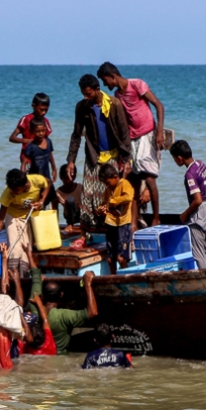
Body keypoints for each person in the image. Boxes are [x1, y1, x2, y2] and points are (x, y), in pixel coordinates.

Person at [96, 62, 166, 230]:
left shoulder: (137, 85)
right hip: (132, 139)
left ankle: (156, 218)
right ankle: (133, 223)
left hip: (147, 134)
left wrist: (159, 131)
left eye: (106, 81)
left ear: (113, 76)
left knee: (150, 178)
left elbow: (159, 105)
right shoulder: (118, 96)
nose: (107, 85)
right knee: (132, 182)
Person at [66, 74, 132, 236]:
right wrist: (71, 161)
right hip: (93, 155)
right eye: (83, 94)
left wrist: (127, 159)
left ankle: (108, 231)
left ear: (97, 90)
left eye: (88, 94)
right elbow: (76, 135)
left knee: (107, 195)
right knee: (88, 195)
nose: (85, 97)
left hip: (113, 156)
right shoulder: (81, 107)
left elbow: (124, 133)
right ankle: (87, 233)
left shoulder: (114, 104)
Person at [0, 169, 50, 278]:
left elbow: (47, 183)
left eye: (16, 190)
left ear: (25, 185)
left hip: (28, 215)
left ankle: (23, 278)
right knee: (15, 249)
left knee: (26, 249)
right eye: (11, 189)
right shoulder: (8, 193)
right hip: (12, 215)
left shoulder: (37, 180)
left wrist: (42, 201)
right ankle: (11, 277)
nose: (13, 192)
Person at [170, 140, 206, 271]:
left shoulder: (189, 174)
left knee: (198, 252)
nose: (175, 161)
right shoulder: (200, 164)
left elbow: (197, 200)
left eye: (174, 158)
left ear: (179, 158)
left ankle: (205, 279)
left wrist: (185, 214)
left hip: (200, 212)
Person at [29, 271, 98, 354]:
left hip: (40, 355)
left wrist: (39, 283)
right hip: (60, 356)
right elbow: (92, 312)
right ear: (61, 295)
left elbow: (34, 294)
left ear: (42, 296)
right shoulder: (63, 315)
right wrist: (88, 284)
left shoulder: (35, 311)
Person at [96, 162, 134, 274]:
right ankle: (113, 278)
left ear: (115, 177)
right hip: (111, 224)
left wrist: (114, 201)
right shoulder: (108, 189)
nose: (107, 186)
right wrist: (101, 209)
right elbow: (104, 203)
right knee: (110, 258)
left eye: (108, 183)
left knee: (121, 258)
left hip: (123, 224)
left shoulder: (124, 184)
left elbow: (129, 197)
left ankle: (125, 278)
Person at [21, 119, 57, 209]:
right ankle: (36, 220)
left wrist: (54, 168)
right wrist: (23, 177)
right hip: (35, 177)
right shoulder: (31, 146)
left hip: (47, 175)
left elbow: (50, 156)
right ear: (32, 131)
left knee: (53, 198)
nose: (41, 133)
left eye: (43, 131)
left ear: (46, 129)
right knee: (38, 200)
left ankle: (54, 219)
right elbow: (24, 163)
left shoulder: (49, 142)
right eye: (37, 131)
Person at [56, 164, 83, 228]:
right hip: (69, 215)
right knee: (70, 200)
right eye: (66, 178)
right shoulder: (58, 192)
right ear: (61, 177)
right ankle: (70, 224)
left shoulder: (80, 187)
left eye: (71, 177)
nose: (69, 180)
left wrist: (81, 206)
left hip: (82, 213)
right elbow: (54, 208)